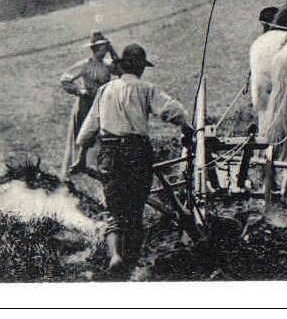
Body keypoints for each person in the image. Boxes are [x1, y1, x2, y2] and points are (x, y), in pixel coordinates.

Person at [70, 43, 193, 273]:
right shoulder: (146, 88)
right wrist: (187, 126)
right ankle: (133, 267)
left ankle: (115, 256)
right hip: (137, 153)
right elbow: (171, 110)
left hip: (109, 153)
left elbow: (87, 131)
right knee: (135, 212)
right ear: (140, 68)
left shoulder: (104, 91)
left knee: (115, 212)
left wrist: (81, 157)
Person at [59, 30, 120, 178]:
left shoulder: (107, 65)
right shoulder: (86, 65)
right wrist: (80, 92)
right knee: (84, 134)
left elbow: (121, 70)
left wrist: (112, 50)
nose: (105, 50)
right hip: (86, 103)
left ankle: (98, 169)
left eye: (106, 47)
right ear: (95, 49)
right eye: (103, 47)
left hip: (102, 104)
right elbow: (65, 79)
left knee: (104, 136)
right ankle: (77, 168)